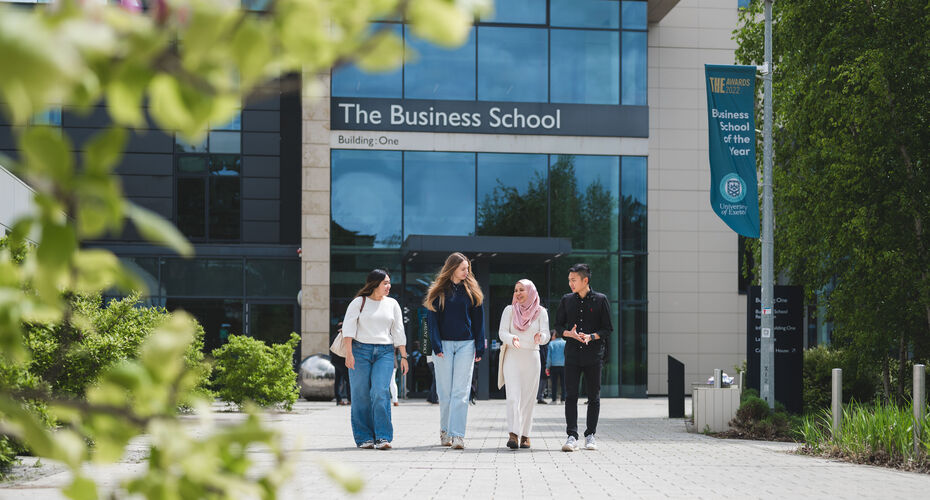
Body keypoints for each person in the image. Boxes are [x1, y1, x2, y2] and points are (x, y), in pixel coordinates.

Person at [343, 269, 409, 450]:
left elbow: (398, 331)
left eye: (389, 282)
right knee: (360, 395)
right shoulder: (359, 302)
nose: (388, 286)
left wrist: (403, 355)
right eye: (385, 283)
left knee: (380, 391)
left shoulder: (392, 304)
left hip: (385, 352)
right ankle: (364, 437)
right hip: (359, 352)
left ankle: (382, 437)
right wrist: (349, 353)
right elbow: (348, 329)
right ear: (374, 284)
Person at [425, 252, 484, 450]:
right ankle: (445, 431)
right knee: (445, 392)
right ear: (452, 269)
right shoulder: (438, 292)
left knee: (461, 391)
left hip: (466, 345)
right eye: (463, 269)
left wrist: (479, 347)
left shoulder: (472, 291)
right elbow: (432, 322)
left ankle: (458, 435)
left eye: (468, 268)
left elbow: (479, 322)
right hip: (443, 346)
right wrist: (436, 345)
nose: (467, 272)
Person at [555, 263, 612, 452]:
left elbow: (607, 329)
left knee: (593, 396)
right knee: (570, 396)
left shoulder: (601, 299)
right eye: (569, 280)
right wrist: (568, 334)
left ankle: (590, 435)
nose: (570, 283)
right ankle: (572, 436)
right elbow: (559, 327)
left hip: (594, 355)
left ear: (585, 280)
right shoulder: (566, 300)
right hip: (571, 355)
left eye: (574, 280)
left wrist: (592, 336)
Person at [497, 279, 549, 450]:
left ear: (531, 292)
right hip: (513, 356)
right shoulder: (509, 310)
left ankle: (526, 435)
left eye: (522, 290)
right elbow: (502, 332)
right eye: (516, 290)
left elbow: (546, 334)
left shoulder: (541, 312)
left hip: (532, 357)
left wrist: (540, 337)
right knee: (513, 397)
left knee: (528, 399)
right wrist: (512, 338)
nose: (518, 293)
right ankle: (513, 434)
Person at [332, 322, 351, 406]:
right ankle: (350, 399)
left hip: (335, 361)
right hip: (343, 361)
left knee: (338, 380)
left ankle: (338, 400)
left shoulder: (334, 336)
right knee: (348, 380)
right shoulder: (344, 336)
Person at [547, 329, 566, 404]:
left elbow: (549, 357)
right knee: (563, 383)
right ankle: (563, 400)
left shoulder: (551, 343)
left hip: (554, 366)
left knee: (554, 384)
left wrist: (547, 366)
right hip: (564, 365)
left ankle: (554, 400)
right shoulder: (565, 343)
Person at [536, 339, 549, 404]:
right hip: (543, 364)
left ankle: (540, 396)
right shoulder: (543, 344)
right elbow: (544, 355)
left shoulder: (540, 344)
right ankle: (540, 396)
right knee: (543, 380)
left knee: (541, 380)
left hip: (540, 364)